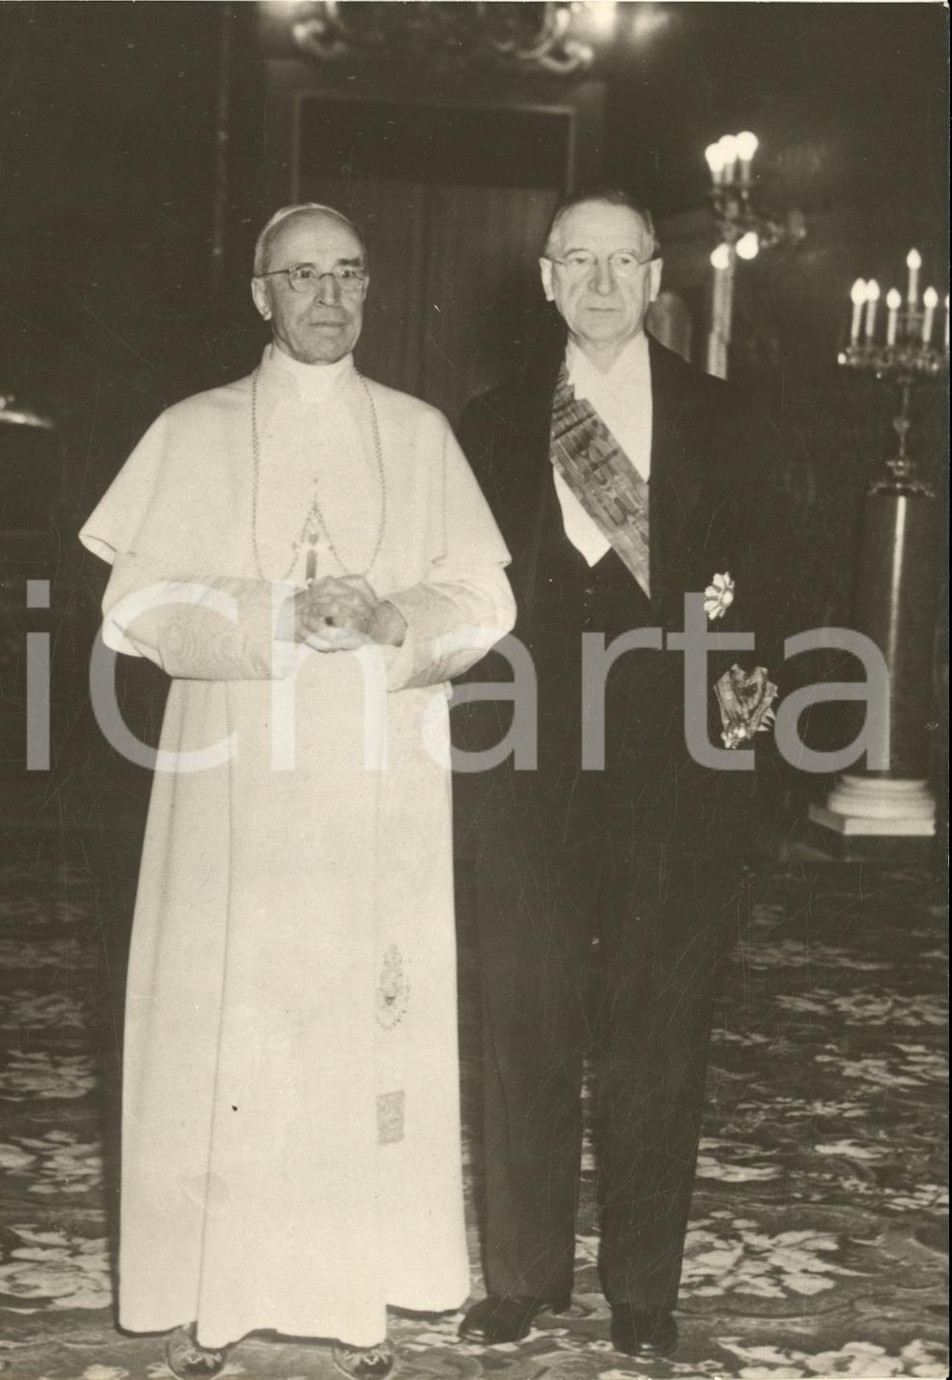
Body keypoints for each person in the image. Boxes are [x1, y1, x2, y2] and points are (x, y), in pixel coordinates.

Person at [79, 203, 515, 1380]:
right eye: (301, 275)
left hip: (379, 770)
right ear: (259, 294)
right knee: (234, 1021)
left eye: (349, 275)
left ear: (370, 290)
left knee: (356, 1024)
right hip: (233, 771)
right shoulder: (194, 428)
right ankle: (213, 1294)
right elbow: (132, 607)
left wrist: (393, 616)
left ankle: (359, 1287)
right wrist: (272, 613)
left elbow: (485, 597)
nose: (328, 296)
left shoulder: (419, 433)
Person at [453, 187, 787, 1359]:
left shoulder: (729, 418)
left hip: (676, 761)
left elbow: (785, 582)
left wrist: (746, 701)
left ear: (656, 280)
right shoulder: (485, 424)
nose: (599, 284)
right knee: (523, 1016)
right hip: (522, 749)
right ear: (544, 279)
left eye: (622, 263)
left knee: (659, 1024)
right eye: (576, 262)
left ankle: (645, 1290)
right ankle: (524, 1275)